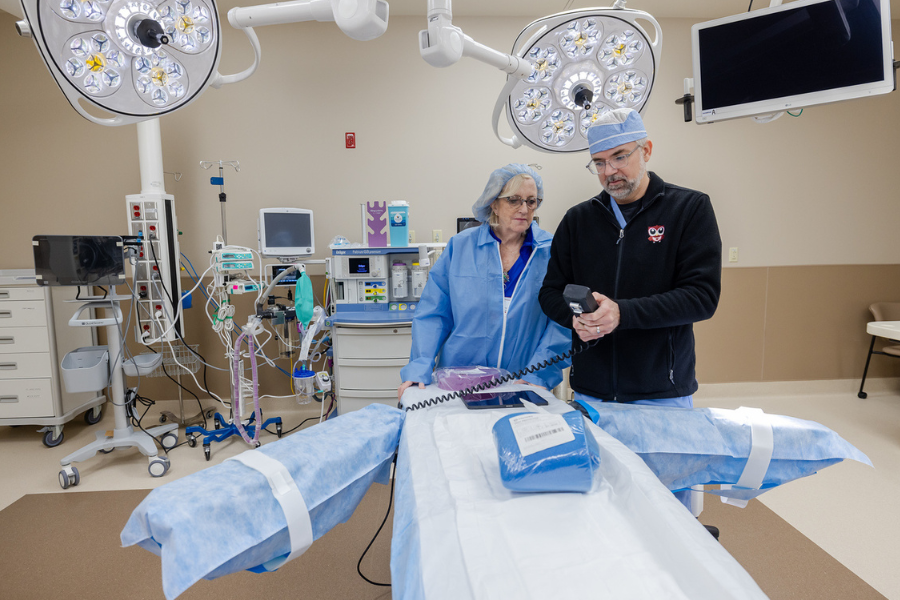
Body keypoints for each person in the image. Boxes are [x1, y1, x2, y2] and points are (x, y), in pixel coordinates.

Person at [538, 108, 722, 515]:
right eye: (599, 163)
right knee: (605, 508)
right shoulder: (578, 221)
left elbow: (701, 297)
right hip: (593, 392)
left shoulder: (688, 210)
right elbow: (549, 293)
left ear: (647, 150)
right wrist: (575, 319)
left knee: (668, 510)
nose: (610, 172)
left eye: (620, 156)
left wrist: (623, 313)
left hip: (662, 393)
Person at [398, 164, 570, 400]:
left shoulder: (551, 251)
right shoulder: (460, 247)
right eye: (514, 200)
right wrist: (420, 366)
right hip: (459, 381)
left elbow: (561, 323)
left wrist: (539, 374)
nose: (524, 208)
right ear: (494, 203)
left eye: (532, 201)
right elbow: (433, 314)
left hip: (522, 383)